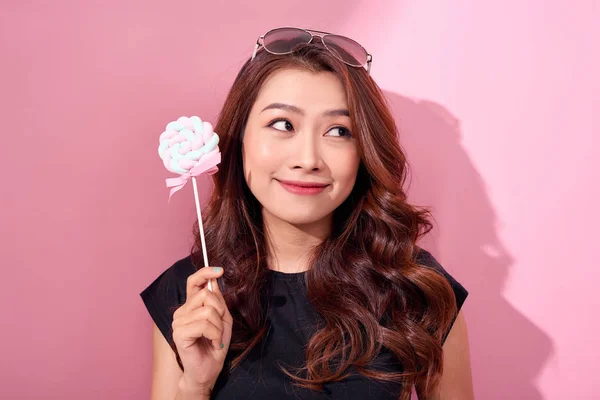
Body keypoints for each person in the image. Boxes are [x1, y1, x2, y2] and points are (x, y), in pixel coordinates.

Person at [140, 27, 473, 400]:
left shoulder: (417, 286)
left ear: (364, 152)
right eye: (282, 125)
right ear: (240, 136)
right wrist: (195, 386)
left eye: (338, 131)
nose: (308, 159)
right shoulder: (190, 294)